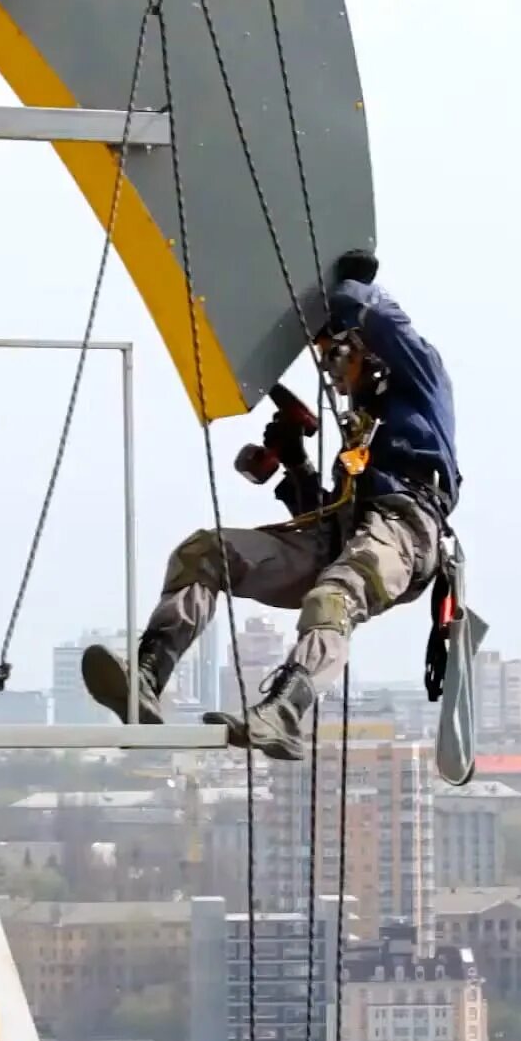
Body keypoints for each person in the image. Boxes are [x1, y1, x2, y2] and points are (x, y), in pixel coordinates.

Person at [79, 250, 460, 759]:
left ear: (365, 352)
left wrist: (351, 287)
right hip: (348, 530)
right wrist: (298, 466)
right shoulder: (361, 423)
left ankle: (284, 712)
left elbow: (386, 321)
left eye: (337, 357)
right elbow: (325, 512)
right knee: (206, 551)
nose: (333, 373)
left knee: (334, 597)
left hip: (407, 529)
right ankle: (148, 674)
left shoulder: (421, 380)